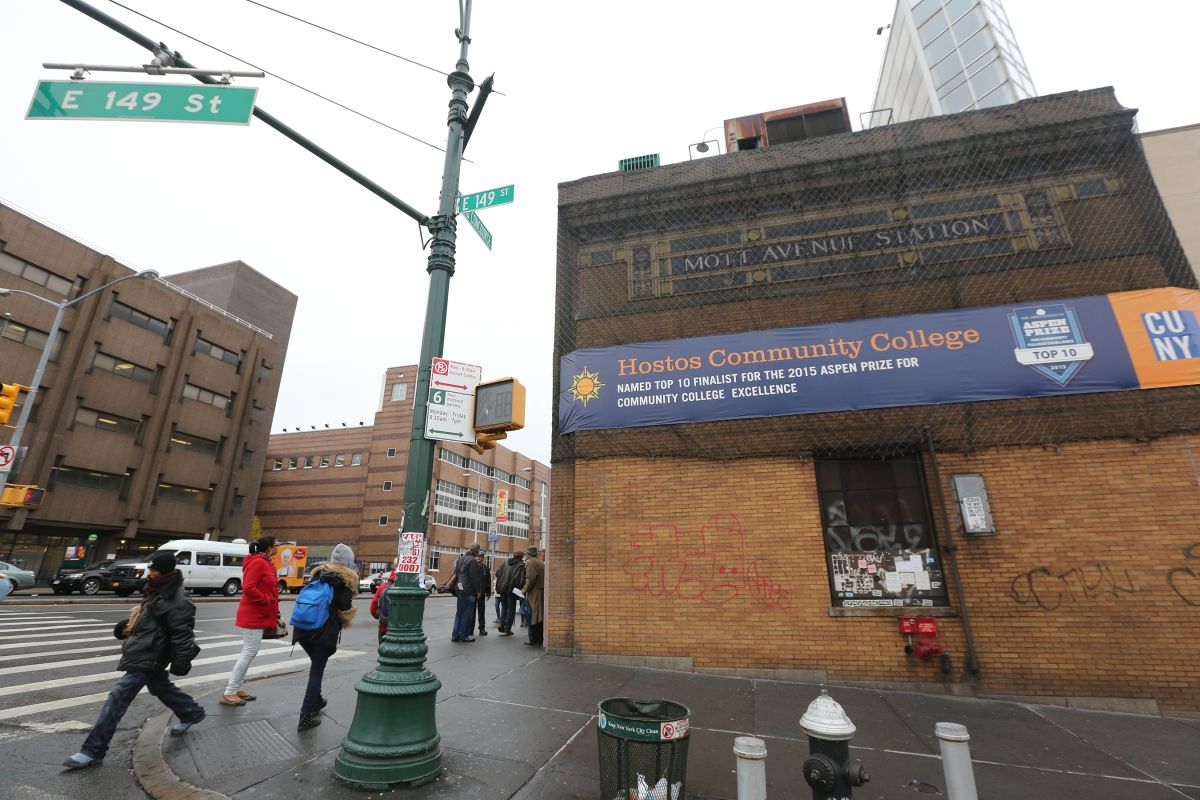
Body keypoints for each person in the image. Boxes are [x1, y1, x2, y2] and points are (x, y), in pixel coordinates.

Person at [63, 552, 204, 769]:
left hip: (152, 654)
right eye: (151, 568)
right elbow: (147, 619)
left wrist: (182, 661)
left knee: (118, 696)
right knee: (159, 687)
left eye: (154, 569)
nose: (150, 572)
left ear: (165, 571)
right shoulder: (155, 588)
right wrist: (125, 628)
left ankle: (93, 750)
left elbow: (183, 634)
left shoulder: (178, 599)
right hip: (144, 649)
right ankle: (191, 712)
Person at [294, 542, 357, 731]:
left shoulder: (318, 575)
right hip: (323, 631)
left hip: (303, 628)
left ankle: (316, 700)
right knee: (316, 672)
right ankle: (305, 716)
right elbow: (345, 608)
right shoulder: (344, 581)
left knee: (316, 665)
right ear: (348, 562)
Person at [221, 536, 280, 706]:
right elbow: (248, 587)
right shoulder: (258, 563)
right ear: (269, 548)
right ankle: (230, 691)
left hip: (261, 613)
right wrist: (266, 600)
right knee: (248, 653)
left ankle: (237, 688)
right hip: (254, 614)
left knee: (249, 653)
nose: (278, 548)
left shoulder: (266, 562)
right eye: (276, 545)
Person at [450, 543, 483, 643]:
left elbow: (456, 573)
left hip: (459, 588)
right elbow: (475, 578)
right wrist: (479, 591)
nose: (478, 554)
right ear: (475, 551)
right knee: (467, 614)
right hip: (468, 590)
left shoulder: (461, 558)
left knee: (459, 613)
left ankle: (455, 635)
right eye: (478, 551)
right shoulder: (472, 560)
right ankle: (464, 635)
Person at [495, 552, 526, 636]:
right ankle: (507, 628)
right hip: (512, 590)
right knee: (511, 609)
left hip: (502, 588)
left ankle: (502, 624)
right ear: (522, 557)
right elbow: (519, 580)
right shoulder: (521, 565)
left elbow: (497, 573)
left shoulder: (506, 562)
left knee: (504, 608)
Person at [370, 558, 399, 643]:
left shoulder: (383, 586)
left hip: (384, 628)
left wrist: (381, 616)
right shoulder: (410, 588)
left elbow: (373, 609)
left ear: (393, 568)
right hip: (404, 631)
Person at [522, 545, 545, 647]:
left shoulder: (531, 563)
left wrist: (524, 590)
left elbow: (530, 579)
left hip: (534, 592)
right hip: (540, 590)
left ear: (529, 554)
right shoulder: (540, 562)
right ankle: (539, 638)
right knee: (539, 615)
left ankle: (534, 639)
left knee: (534, 616)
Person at [474, 551, 492, 637]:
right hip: (474, 592)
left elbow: (488, 580)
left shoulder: (486, 568)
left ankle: (482, 628)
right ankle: (470, 628)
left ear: (483, 558)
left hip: (482, 592)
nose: (479, 558)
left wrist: (488, 591)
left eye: (480, 556)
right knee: (472, 611)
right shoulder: (473, 566)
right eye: (478, 556)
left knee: (481, 611)